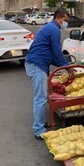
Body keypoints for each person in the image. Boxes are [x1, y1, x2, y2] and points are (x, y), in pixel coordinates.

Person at [25, 8, 75, 140]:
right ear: (58, 18)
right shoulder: (54, 29)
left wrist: (64, 66)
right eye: (65, 20)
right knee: (40, 98)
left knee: (42, 96)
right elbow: (57, 52)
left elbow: (52, 55)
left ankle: (41, 123)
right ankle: (39, 130)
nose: (66, 23)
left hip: (37, 63)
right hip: (37, 64)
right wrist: (68, 68)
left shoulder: (48, 28)